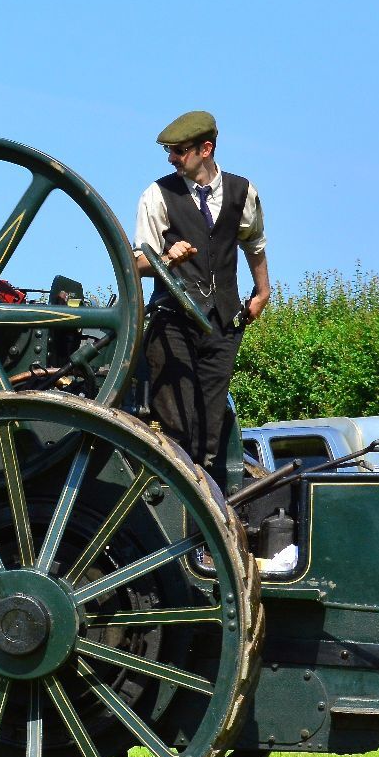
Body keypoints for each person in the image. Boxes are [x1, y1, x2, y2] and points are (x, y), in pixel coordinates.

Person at [132, 110, 272, 491]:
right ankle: (176, 510)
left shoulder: (243, 192)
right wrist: (165, 257)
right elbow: (137, 262)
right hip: (172, 320)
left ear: (205, 149)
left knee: (211, 428)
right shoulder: (157, 194)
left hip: (222, 322)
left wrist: (262, 292)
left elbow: (254, 245)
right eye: (170, 151)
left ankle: (205, 520)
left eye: (178, 151)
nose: (172, 158)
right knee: (175, 426)